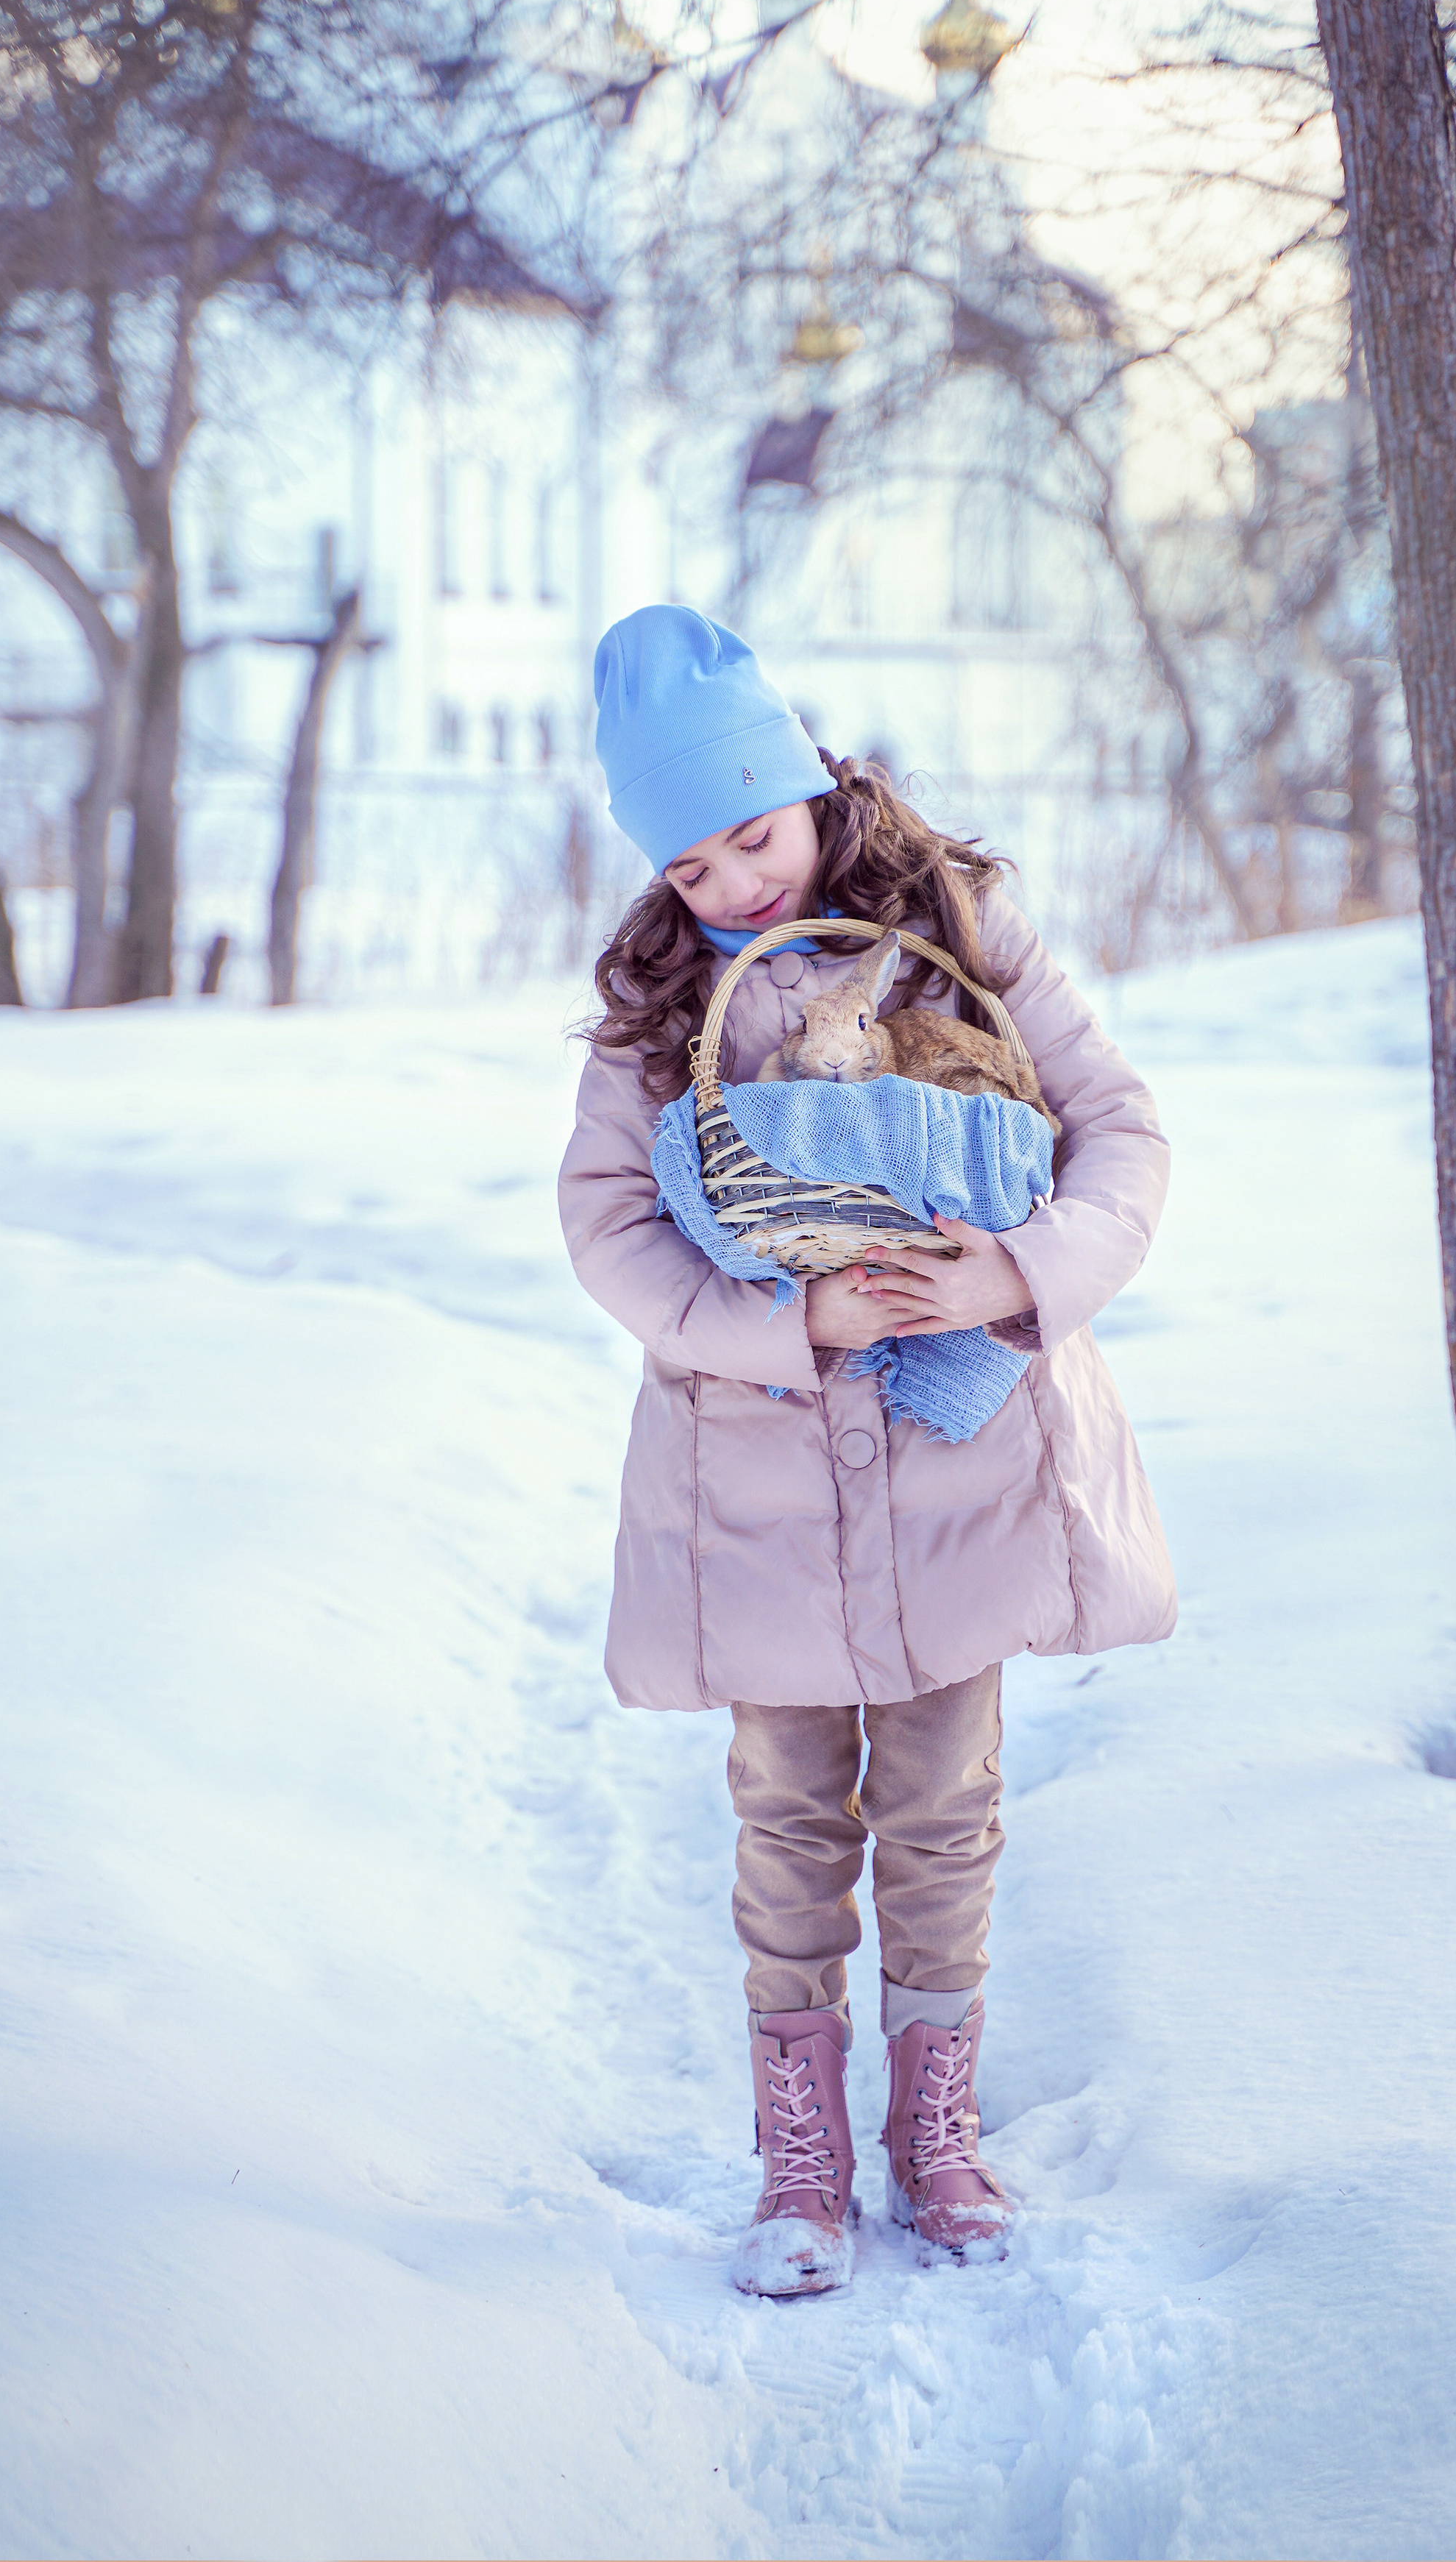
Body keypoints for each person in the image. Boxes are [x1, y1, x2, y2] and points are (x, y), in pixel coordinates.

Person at [558, 603, 1175, 2299]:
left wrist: (1012, 1271)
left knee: (942, 1801)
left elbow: (1116, 1133)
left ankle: (935, 2126)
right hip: (752, 1492)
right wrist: (785, 1329)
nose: (735, 886)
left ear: (811, 786)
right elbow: (608, 1225)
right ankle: (800, 2154)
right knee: (784, 1811)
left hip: (953, 1477)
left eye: (751, 835)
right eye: (688, 866)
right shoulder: (665, 1007)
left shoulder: (963, 935)